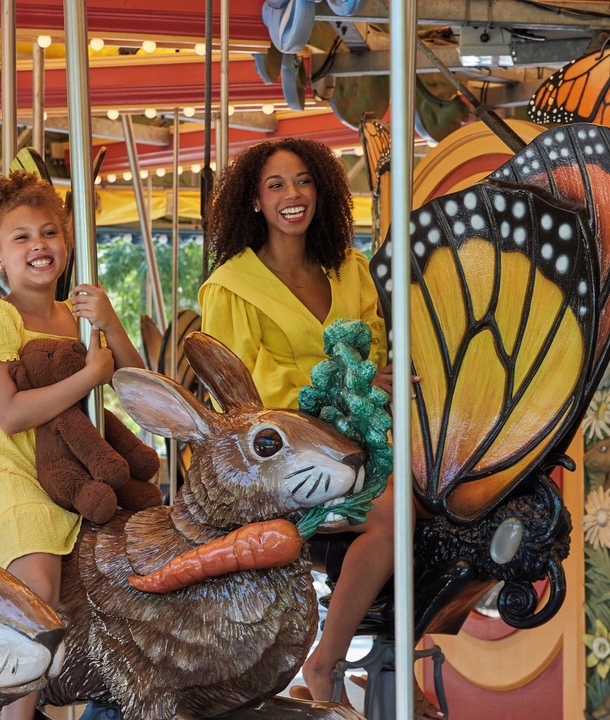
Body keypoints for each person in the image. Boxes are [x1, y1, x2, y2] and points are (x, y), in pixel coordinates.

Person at [198, 137, 404, 704]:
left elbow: (376, 353)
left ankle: (392, 655)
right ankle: (326, 661)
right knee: (391, 518)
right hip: (277, 456)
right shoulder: (230, 288)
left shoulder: (350, 270)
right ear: (256, 202)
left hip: (359, 436)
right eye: (276, 185)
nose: (294, 195)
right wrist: (341, 377)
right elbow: (245, 393)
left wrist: (362, 379)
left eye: (304, 181)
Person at [0, 171, 145, 720]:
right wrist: (88, 376)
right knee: (38, 580)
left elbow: (136, 388)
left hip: (73, 474)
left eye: (49, 232)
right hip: (10, 476)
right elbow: (11, 413)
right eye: (21, 237)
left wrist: (109, 322)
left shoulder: (78, 315)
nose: (39, 246)